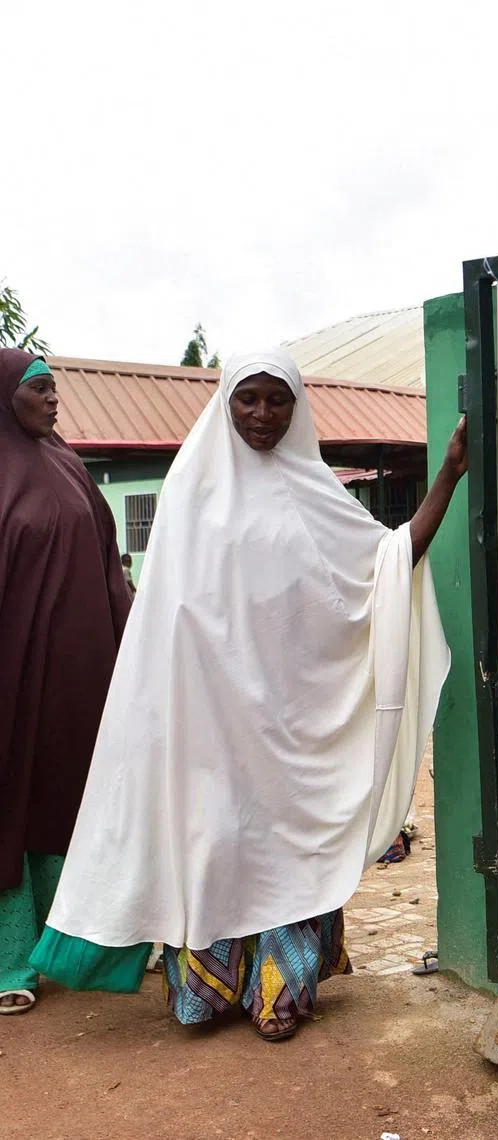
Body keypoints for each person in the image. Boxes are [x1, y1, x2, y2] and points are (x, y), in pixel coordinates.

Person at [31, 348, 459, 1042]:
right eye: (248, 399)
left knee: (284, 849)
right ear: (225, 404)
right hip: (207, 720)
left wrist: (448, 475)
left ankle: (281, 990)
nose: (262, 415)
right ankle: (205, 985)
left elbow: (386, 564)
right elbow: (165, 619)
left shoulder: (316, 493)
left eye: (277, 400)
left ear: (297, 407)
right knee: (215, 844)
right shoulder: (190, 490)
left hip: (292, 723)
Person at [0, 349, 132, 1014]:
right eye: (41, 389)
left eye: (55, 390)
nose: (55, 401)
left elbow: (108, 559)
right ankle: (10, 963)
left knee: (74, 799)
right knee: (9, 810)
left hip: (78, 676)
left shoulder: (68, 462)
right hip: (8, 678)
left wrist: (134, 631)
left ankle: (80, 947)